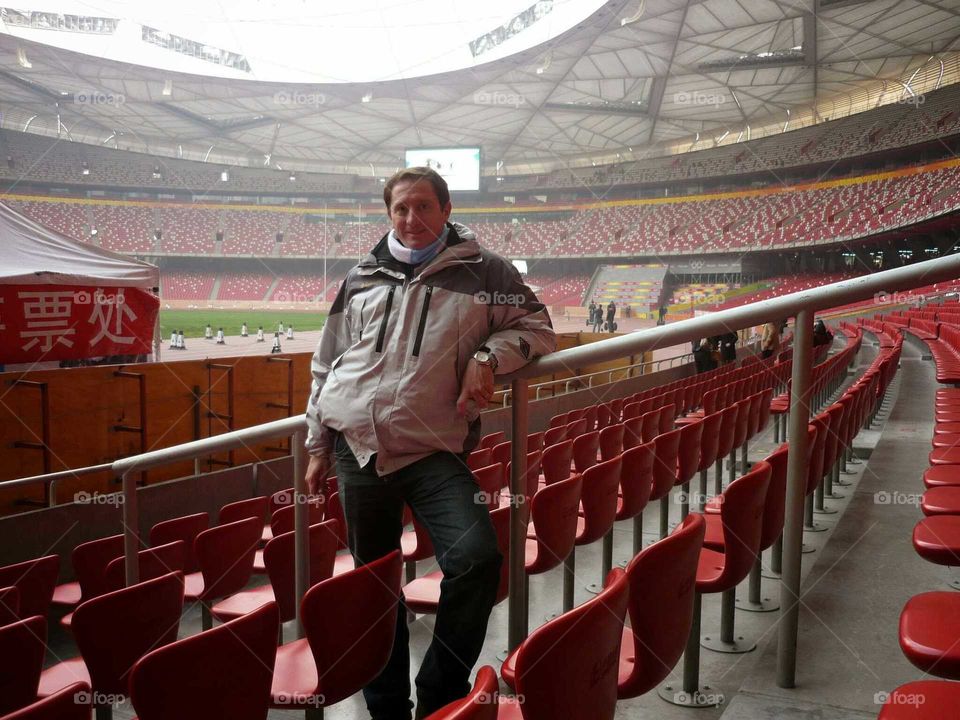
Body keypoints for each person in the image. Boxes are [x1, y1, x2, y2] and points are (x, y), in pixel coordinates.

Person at [304, 167, 556, 720]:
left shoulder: (486, 271)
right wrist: (317, 443)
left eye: (423, 207)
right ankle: (386, 707)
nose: (412, 219)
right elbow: (327, 362)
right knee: (376, 586)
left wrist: (488, 358)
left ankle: (441, 693)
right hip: (356, 448)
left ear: (445, 209)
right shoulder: (361, 275)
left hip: (432, 450)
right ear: (388, 212)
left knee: (475, 560)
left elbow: (537, 328)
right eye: (400, 208)